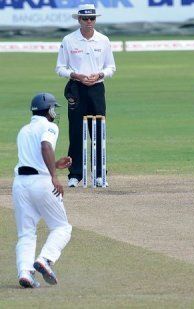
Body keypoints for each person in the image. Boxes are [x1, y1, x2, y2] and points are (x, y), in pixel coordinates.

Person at [12, 93, 73, 288]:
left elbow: (32, 161)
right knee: (62, 228)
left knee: (26, 233)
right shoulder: (49, 126)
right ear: (49, 110)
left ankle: (25, 273)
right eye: (54, 108)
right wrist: (54, 176)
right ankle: (45, 260)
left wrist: (54, 166)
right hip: (41, 183)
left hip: (20, 184)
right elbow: (45, 145)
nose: (55, 112)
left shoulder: (24, 130)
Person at [56, 3, 116, 187]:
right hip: (76, 88)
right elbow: (60, 68)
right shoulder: (68, 40)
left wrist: (100, 75)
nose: (89, 22)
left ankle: (99, 174)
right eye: (85, 18)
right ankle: (75, 175)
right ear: (79, 20)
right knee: (76, 131)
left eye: (92, 18)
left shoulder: (103, 40)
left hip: (97, 89)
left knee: (97, 131)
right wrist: (75, 75)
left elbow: (111, 67)